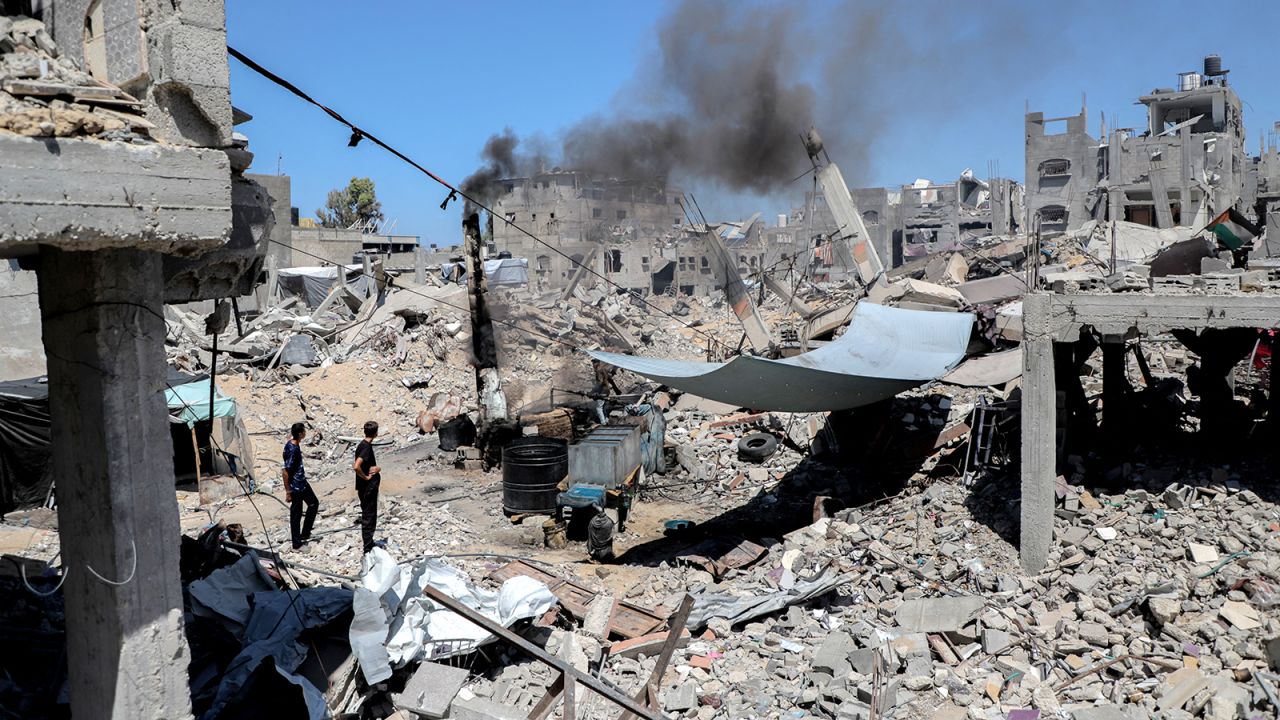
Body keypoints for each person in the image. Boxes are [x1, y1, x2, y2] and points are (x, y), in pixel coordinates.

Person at [283, 422, 318, 551]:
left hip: (302, 483)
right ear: (299, 434)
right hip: (296, 486)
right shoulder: (292, 449)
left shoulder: (294, 445)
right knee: (296, 514)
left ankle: (305, 532)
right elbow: (285, 471)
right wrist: (288, 490)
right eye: (303, 431)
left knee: (313, 504)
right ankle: (296, 543)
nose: (305, 433)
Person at [352, 421, 382, 553]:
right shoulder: (365, 447)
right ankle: (368, 547)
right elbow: (356, 466)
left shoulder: (363, 445)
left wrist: (375, 469)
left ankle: (369, 543)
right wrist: (366, 477)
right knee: (369, 516)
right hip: (368, 488)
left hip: (365, 487)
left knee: (368, 515)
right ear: (376, 433)